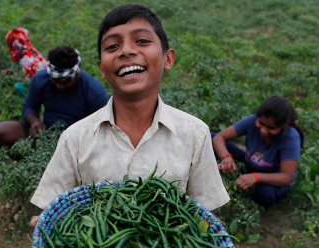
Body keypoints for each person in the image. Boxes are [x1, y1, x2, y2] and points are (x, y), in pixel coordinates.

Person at [29, 4, 230, 228]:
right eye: (113, 46)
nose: (126, 51)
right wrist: (46, 221)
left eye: (142, 41)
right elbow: (53, 208)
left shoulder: (194, 133)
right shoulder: (75, 138)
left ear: (168, 59)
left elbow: (204, 217)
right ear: (102, 70)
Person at [0, 46, 109, 148]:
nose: (60, 86)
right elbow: (29, 106)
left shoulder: (95, 93)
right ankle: (28, 164)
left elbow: (101, 134)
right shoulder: (41, 79)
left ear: (77, 74)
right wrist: (35, 122)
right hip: (45, 135)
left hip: (77, 144)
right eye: (55, 80)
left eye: (65, 81)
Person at [212, 96, 303, 207]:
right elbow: (219, 137)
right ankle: (236, 177)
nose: (264, 130)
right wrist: (226, 156)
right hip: (250, 165)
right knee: (210, 138)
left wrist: (255, 177)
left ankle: (256, 203)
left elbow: (286, 178)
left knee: (265, 193)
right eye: (261, 123)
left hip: (271, 179)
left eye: (271, 128)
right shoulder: (251, 120)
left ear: (284, 124)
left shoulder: (290, 137)